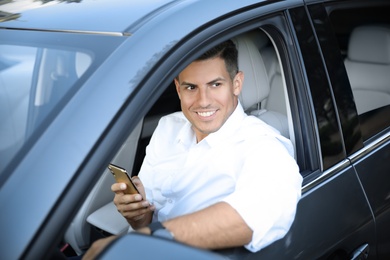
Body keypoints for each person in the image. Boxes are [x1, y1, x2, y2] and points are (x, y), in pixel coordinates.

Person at [83, 39, 302, 259]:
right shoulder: (168, 127)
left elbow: (257, 214)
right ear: (178, 89)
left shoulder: (263, 145)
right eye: (191, 87)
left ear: (236, 83)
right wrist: (137, 215)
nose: (203, 101)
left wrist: (142, 241)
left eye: (215, 85)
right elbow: (146, 219)